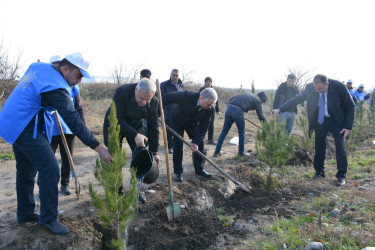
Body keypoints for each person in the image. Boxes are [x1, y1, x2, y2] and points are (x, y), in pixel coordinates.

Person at [0, 52, 112, 235]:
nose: (80, 81)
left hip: (13, 120)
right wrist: (98, 147)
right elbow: (73, 120)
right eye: (79, 75)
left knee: (26, 170)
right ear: (65, 68)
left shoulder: (41, 67)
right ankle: (48, 219)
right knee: (50, 169)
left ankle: (25, 213)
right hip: (24, 125)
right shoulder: (55, 86)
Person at [273, 74, 355, 186]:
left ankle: (341, 176)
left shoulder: (339, 87)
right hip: (320, 119)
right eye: (316, 88)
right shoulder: (310, 87)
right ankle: (319, 171)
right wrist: (280, 108)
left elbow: (350, 106)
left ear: (327, 84)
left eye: (320, 88)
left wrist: (348, 126)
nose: (318, 90)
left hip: (336, 120)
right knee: (319, 145)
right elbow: (297, 99)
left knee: (340, 146)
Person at [103, 78, 160, 203]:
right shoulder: (122, 92)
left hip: (136, 125)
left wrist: (154, 152)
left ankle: (135, 190)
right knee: (115, 158)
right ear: (136, 90)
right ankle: (116, 191)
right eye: (141, 98)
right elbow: (118, 118)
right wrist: (135, 134)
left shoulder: (154, 102)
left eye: (147, 99)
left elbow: (153, 126)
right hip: (114, 125)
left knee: (141, 156)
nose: (144, 102)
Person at [47, 55, 86, 196]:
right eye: (54, 66)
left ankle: (65, 184)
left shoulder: (73, 87)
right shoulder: (48, 85)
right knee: (47, 160)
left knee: (67, 158)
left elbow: (79, 107)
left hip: (68, 128)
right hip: (50, 128)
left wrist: (83, 126)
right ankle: (44, 185)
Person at [162, 88, 217, 182]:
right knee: (178, 144)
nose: (209, 107)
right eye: (208, 104)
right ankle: (178, 172)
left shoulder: (210, 109)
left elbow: (204, 126)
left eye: (211, 105)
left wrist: (195, 142)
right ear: (202, 98)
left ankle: (199, 169)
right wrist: (160, 114)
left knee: (199, 142)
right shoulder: (187, 95)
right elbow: (166, 98)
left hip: (192, 123)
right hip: (176, 120)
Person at [213, 92, 267, 157]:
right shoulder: (258, 101)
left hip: (229, 108)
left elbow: (231, 99)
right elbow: (261, 116)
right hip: (237, 111)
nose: (261, 104)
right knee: (241, 132)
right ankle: (241, 153)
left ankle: (217, 151)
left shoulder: (249, 95)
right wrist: (267, 126)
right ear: (262, 100)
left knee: (224, 131)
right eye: (262, 103)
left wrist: (239, 109)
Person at [160, 69, 184, 154]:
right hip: (168, 112)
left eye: (177, 75)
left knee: (177, 130)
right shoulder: (164, 85)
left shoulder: (181, 84)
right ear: (170, 75)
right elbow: (160, 98)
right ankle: (169, 147)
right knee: (168, 131)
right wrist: (161, 111)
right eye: (173, 75)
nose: (175, 77)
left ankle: (175, 145)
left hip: (178, 112)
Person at [199, 77, 220, 144]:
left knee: (211, 125)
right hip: (203, 109)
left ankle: (210, 139)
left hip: (211, 110)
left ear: (211, 82)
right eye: (207, 81)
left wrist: (217, 110)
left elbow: (216, 101)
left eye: (209, 81)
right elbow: (199, 99)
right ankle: (201, 138)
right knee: (202, 123)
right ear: (205, 82)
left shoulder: (213, 90)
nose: (208, 82)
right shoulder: (201, 89)